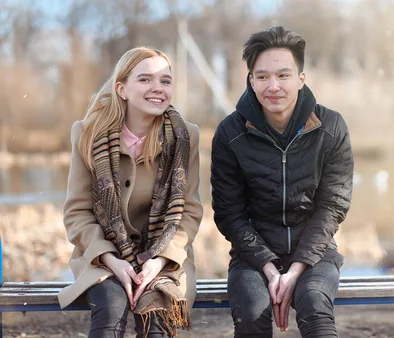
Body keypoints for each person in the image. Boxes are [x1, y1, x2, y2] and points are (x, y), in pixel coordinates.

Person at [210, 26, 354, 338]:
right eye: (262, 77)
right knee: (251, 313)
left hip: (315, 254)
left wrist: (297, 269)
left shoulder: (331, 127)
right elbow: (229, 214)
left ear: (301, 79)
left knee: (315, 305)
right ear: (251, 81)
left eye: (283, 75)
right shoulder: (230, 133)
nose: (273, 86)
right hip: (253, 257)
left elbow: (332, 206)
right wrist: (269, 267)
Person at [57, 46, 203, 338]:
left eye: (165, 80)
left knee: (156, 316)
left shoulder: (185, 136)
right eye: (145, 79)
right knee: (111, 307)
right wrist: (111, 259)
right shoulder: (87, 134)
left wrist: (160, 261)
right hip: (104, 256)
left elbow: (189, 211)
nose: (157, 88)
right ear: (121, 88)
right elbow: (77, 213)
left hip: (166, 258)